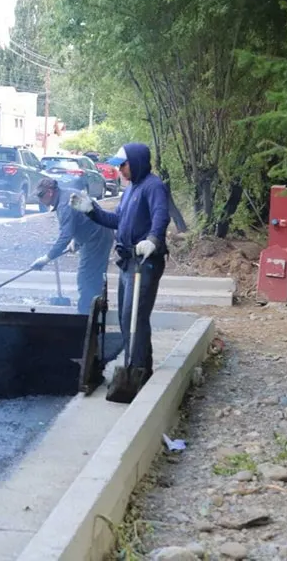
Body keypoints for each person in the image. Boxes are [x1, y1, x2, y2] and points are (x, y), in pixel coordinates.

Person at [68, 143, 171, 392]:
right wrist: (92, 210)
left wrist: (153, 240)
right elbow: (118, 220)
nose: (120, 171)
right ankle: (141, 367)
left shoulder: (153, 186)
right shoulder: (131, 189)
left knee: (134, 316)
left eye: (123, 165)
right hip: (127, 261)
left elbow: (161, 215)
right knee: (128, 319)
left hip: (145, 262)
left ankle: (137, 370)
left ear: (135, 162)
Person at [29, 177, 114, 315]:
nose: (39, 199)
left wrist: (47, 258)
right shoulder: (67, 195)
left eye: (41, 195)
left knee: (86, 278)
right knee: (94, 277)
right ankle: (97, 314)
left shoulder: (64, 205)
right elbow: (83, 218)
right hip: (97, 234)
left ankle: (86, 317)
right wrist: (77, 241)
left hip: (97, 238)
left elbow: (65, 236)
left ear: (50, 192)